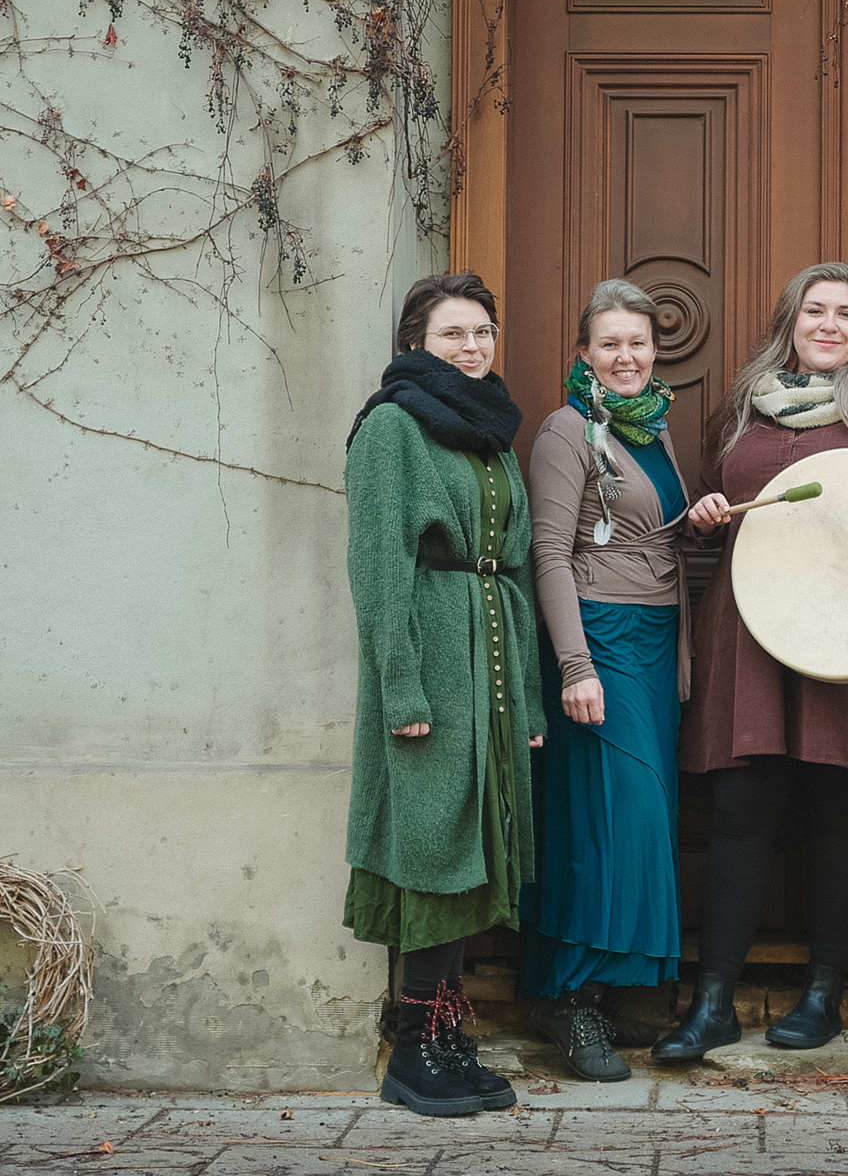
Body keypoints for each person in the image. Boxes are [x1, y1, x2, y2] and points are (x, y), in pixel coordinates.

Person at [650, 262, 848, 1062]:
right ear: (789, 320)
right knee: (740, 811)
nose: (829, 325)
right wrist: (706, 518)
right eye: (815, 310)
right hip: (752, 632)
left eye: (846, 315)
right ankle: (712, 1004)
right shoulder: (741, 410)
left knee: (838, 813)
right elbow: (706, 513)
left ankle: (823, 996)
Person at [342, 272, 548, 1118]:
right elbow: (378, 569)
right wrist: (401, 688)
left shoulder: (492, 433)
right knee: (434, 847)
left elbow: (517, 568)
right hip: (432, 661)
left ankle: (446, 1035)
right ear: (414, 345)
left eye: (482, 332)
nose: (472, 347)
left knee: (476, 849)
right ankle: (412, 1050)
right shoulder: (392, 427)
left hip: (489, 661)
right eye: (452, 334)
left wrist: (528, 697)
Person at [522, 280, 690, 1082]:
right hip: (601, 639)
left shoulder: (651, 428)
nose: (627, 357)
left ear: (656, 350)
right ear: (584, 353)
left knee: (642, 822)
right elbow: (549, 553)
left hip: (655, 643)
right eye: (611, 344)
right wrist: (576, 665)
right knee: (609, 818)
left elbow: (652, 533)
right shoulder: (566, 430)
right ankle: (567, 997)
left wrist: (701, 518)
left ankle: (613, 986)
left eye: (639, 343)